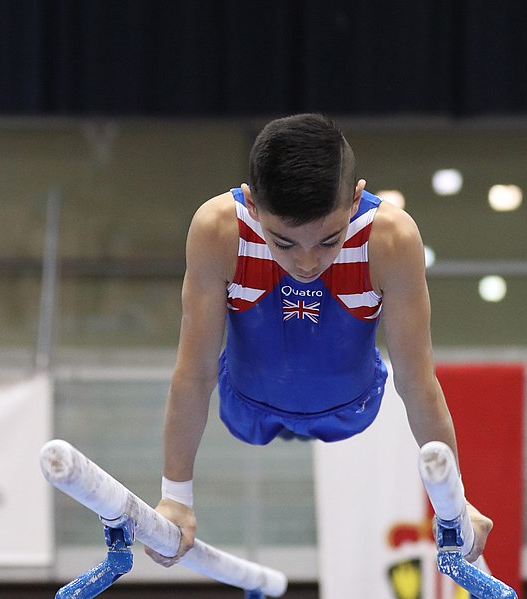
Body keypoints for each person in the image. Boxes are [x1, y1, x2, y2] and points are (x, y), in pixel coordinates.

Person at [145, 113, 493, 567]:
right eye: (284, 243)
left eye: (329, 241)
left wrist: (454, 502)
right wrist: (175, 496)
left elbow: (417, 380)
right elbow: (194, 373)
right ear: (251, 206)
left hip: (351, 405)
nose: (307, 262)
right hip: (246, 403)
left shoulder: (390, 238)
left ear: (354, 200)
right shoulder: (218, 230)